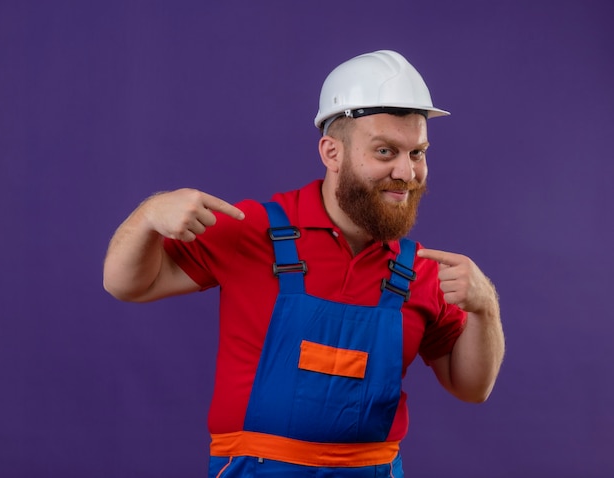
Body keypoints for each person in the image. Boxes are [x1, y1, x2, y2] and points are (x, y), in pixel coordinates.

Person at [103, 50, 505, 477]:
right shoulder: (251, 230)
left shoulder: (422, 270)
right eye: (386, 151)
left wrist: (486, 308)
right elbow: (127, 284)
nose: (406, 171)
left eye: (418, 153)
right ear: (332, 153)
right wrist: (147, 217)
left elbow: (472, 387)